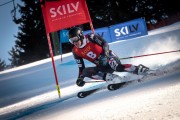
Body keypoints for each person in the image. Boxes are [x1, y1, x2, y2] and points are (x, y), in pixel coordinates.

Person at [68, 27, 149, 87]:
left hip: (109, 57)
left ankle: (140, 70)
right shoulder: (75, 51)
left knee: (116, 66)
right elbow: (81, 68)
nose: (74, 42)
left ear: (80, 36)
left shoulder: (90, 37)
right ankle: (114, 79)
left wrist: (105, 55)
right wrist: (80, 78)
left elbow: (105, 44)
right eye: (71, 40)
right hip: (101, 66)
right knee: (86, 72)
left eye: (75, 39)